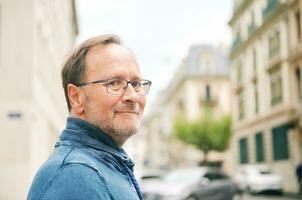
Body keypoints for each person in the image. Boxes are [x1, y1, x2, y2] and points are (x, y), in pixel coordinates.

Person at [27, 34, 151, 200]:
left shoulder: (103, 165)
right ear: (76, 97)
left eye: (136, 84)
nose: (133, 96)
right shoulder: (75, 175)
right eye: (113, 83)